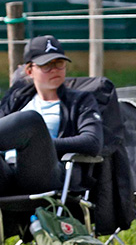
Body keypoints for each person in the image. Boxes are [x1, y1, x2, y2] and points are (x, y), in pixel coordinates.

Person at [0, 35, 103, 197]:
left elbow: (93, 142)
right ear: (29, 70)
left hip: (44, 175)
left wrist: (41, 144)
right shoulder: (15, 99)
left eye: (59, 64)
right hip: (6, 175)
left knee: (31, 121)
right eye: (46, 65)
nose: (54, 69)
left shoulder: (81, 100)